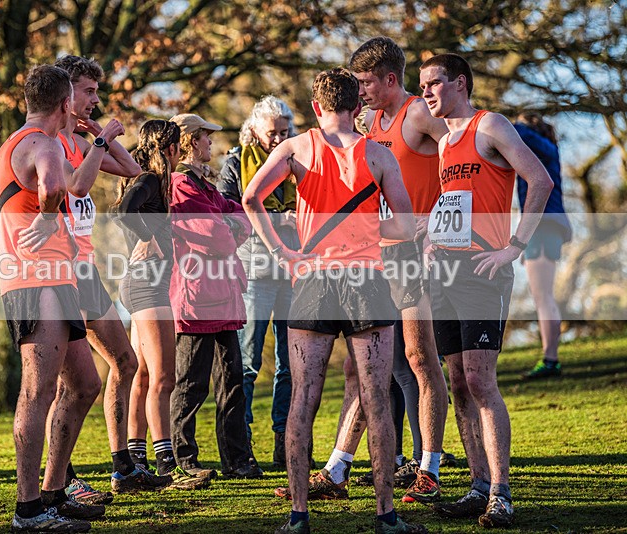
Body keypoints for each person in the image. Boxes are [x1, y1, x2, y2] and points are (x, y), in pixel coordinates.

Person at [243, 68, 423, 534]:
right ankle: (386, 516)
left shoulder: (295, 147)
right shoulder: (380, 155)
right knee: (377, 399)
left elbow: (250, 198)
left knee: (304, 397)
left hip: (313, 281)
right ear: (357, 107)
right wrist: (365, 231)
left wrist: (284, 252)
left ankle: (298, 514)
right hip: (366, 281)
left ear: (317, 107)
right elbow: (405, 228)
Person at [418, 53, 552, 527]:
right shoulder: (445, 142)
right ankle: (477, 486)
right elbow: (455, 204)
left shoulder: (489, 124)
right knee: (456, 381)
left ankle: (502, 493)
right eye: (422, 85)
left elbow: (540, 178)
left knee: (479, 381)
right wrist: (434, 238)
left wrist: (514, 246)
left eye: (434, 83)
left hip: (484, 271)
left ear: (460, 83)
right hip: (446, 273)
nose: (427, 92)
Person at [0, 64, 102, 533]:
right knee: (39, 390)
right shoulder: (44, 143)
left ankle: (54, 493)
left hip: (53, 278)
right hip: (37, 279)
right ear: (64, 104)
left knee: (85, 384)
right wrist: (46, 218)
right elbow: (55, 185)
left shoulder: (16, 142)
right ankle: (29, 510)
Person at [53, 55, 172, 495]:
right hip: (57, 276)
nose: (95, 100)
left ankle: (122, 465)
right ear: (65, 93)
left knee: (125, 362)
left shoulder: (80, 145)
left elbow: (133, 170)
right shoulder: (50, 146)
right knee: (65, 383)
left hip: (87, 274)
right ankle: (59, 477)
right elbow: (77, 187)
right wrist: (100, 139)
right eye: (88, 91)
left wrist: (93, 135)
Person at [113, 119, 209, 490]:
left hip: (142, 286)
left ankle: (136, 461)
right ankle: (167, 464)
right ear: (169, 149)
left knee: (142, 375)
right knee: (164, 377)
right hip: (148, 287)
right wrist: (150, 236)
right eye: (178, 148)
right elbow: (123, 212)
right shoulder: (151, 179)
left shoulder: (150, 180)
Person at [167, 113, 262, 480]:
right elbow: (220, 236)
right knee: (191, 384)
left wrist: (230, 226)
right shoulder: (181, 186)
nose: (212, 144)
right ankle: (184, 462)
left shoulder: (205, 187)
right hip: (197, 299)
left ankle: (237, 459)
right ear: (191, 141)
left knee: (233, 383)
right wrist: (230, 228)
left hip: (223, 295)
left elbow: (243, 222)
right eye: (207, 138)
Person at [217, 95, 301, 468]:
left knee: (290, 363)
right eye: (272, 133)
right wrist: (270, 221)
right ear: (253, 129)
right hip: (254, 271)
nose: (277, 139)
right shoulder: (235, 162)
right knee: (247, 361)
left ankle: (284, 440)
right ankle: (242, 444)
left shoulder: (298, 159)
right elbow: (224, 215)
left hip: (293, 272)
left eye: (284, 132)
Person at [514, 113, 571, 379]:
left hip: (543, 223)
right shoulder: (544, 148)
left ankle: (551, 360)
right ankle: (550, 357)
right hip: (546, 225)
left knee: (542, 296)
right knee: (542, 295)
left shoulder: (537, 144)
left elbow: (517, 133)